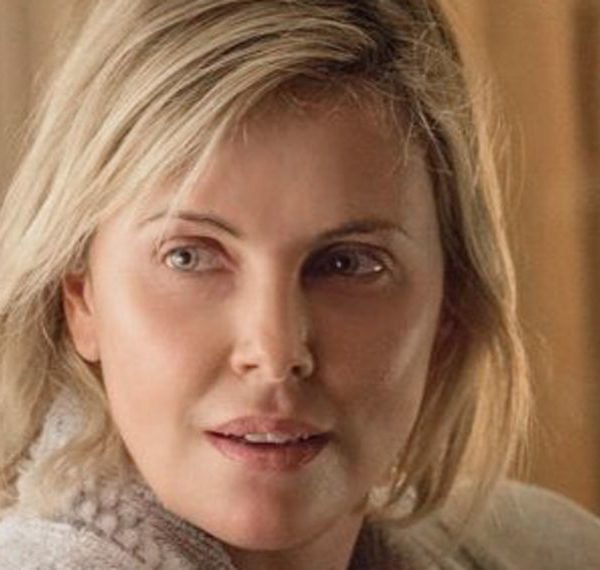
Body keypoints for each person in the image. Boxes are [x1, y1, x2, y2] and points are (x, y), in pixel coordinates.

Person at [0, 0, 598, 568]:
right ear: (81, 298)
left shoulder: (553, 546)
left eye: (347, 264)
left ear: (451, 304)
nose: (276, 352)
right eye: (189, 257)